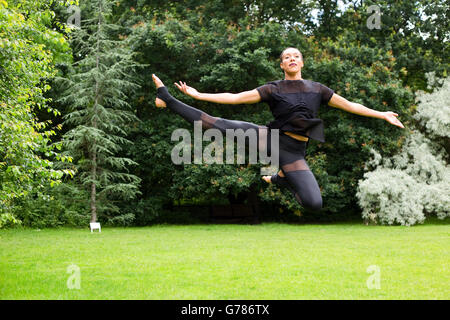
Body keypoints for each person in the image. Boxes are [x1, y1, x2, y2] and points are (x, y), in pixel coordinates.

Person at [152, 47, 404, 212]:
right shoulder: (273, 88)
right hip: (271, 139)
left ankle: (279, 178)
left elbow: (350, 105)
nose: (291, 59)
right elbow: (236, 97)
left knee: (314, 204)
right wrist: (199, 94)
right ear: (282, 65)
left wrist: (381, 114)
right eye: (286, 57)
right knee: (215, 124)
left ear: (302, 62)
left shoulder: (318, 89)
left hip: (294, 152)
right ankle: (168, 99)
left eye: (295, 56)